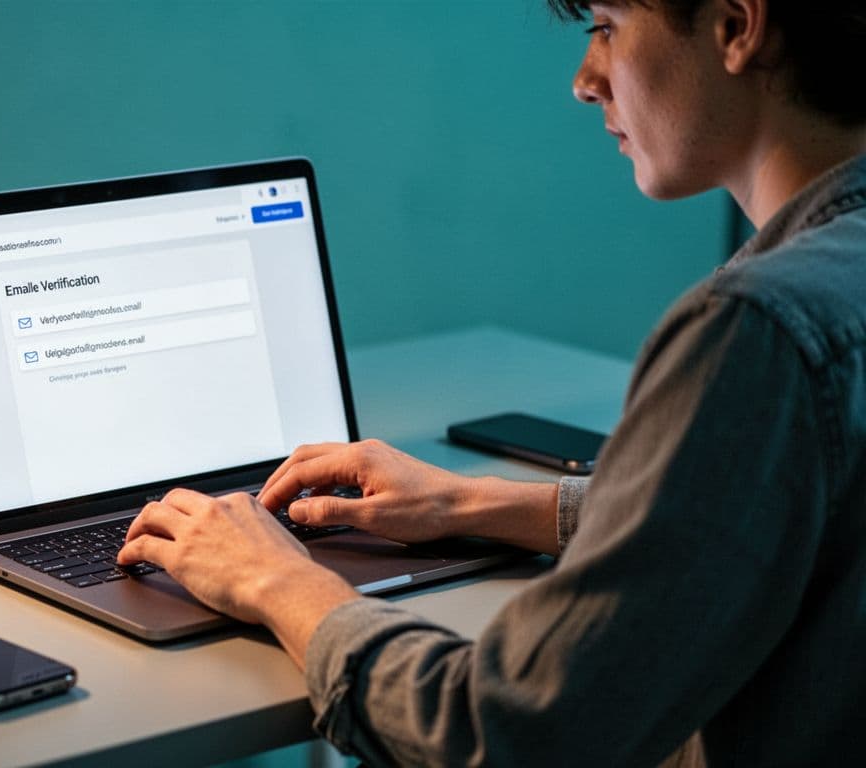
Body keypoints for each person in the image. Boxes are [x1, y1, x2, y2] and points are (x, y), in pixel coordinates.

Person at [117, 0, 866, 765]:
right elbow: (763, 510)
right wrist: (473, 502)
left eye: (606, 25)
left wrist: (277, 582)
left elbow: (508, 734)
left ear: (737, 27)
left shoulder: (755, 330)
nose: (584, 81)